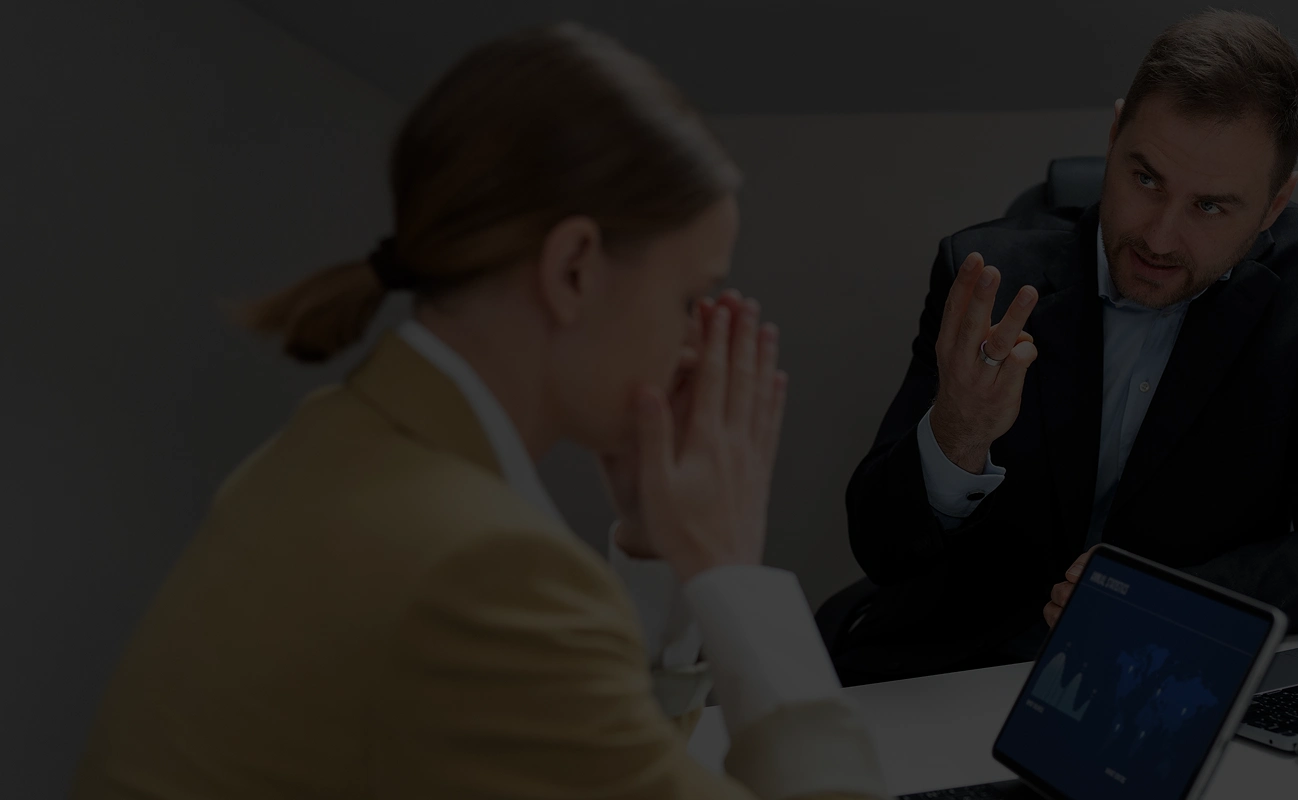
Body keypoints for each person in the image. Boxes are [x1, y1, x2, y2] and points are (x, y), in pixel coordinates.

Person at [72, 22, 884, 800]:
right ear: (573, 268)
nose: (690, 346)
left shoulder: (339, 441)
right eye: (689, 297)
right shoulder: (479, 568)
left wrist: (658, 552)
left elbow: (589, 767)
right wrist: (732, 573)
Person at [837, 10, 1298, 685]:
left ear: (1273, 204)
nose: (1160, 238)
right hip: (962, 665)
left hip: (1168, 669)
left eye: (1211, 207)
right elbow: (880, 547)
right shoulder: (987, 276)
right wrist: (955, 436)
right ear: (1114, 136)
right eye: (1144, 178)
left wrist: (1169, 599)